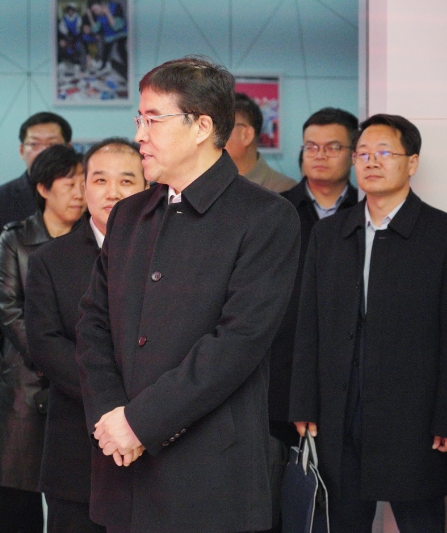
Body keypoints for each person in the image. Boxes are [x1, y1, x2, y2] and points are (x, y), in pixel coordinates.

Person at [75, 56, 300, 532]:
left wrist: (140, 422)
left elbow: (237, 343)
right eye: (139, 119)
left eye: (153, 120)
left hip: (208, 473)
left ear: (202, 126)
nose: (139, 135)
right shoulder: (129, 214)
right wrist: (112, 416)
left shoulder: (266, 217)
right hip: (121, 463)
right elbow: (94, 322)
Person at [289, 114, 447, 532]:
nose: (371, 162)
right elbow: (308, 326)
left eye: (384, 153)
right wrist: (304, 403)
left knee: (421, 519)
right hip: (340, 405)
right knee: (342, 517)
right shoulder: (329, 235)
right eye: (362, 153)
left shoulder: (445, 234)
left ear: (412, 162)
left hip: (414, 412)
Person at [25, 138, 148, 533]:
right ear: (84, 187)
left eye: (126, 181)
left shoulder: (170, 255)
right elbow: (45, 344)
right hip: (76, 442)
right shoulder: (50, 259)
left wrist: (142, 408)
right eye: (99, 180)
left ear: (148, 187)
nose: (112, 192)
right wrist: (112, 402)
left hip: (153, 433)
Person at [263, 107, 360, 531]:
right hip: (282, 374)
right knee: (279, 495)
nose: (319, 155)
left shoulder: (367, 213)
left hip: (349, 376)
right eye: (311, 146)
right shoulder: (275, 211)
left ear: (353, 154)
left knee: (342, 503)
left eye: (332, 147)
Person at [0, 145, 86, 533]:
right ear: (43, 188)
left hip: (79, 378)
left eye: (83, 182)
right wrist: (53, 358)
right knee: (18, 491)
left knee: (72, 491)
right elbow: (8, 307)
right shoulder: (16, 238)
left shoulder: (92, 237)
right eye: (69, 183)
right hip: (28, 378)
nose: (79, 192)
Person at [0, 112, 72, 380]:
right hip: (13, 339)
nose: (43, 151)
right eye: (35, 143)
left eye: (52, 143)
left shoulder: (82, 198)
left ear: (68, 148)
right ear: (21, 150)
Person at [224, 92, 295, 193]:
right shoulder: (210, 182)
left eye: (222, 128)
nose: (213, 137)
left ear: (246, 135)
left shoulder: (284, 189)